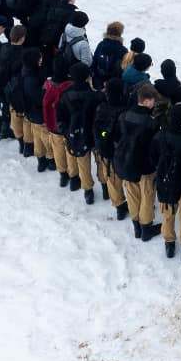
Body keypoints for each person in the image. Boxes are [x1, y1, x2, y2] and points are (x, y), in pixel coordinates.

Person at [114, 82, 161, 240]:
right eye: (153, 100)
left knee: (132, 194)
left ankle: (136, 225)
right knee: (147, 196)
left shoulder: (124, 115)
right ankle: (146, 227)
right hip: (144, 167)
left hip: (126, 161)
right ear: (147, 101)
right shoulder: (151, 122)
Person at [152, 105, 181, 260]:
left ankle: (169, 243)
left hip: (165, 181)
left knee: (167, 213)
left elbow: (153, 157)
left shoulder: (160, 136)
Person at [56, 63, 100, 202]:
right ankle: (88, 189)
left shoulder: (65, 94)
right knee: (85, 160)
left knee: (71, 154)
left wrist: (65, 130)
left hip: (71, 132)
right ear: (88, 77)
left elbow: (60, 115)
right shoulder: (94, 96)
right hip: (89, 134)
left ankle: (74, 179)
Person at [92, 78, 131, 219]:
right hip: (120, 151)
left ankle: (119, 204)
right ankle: (126, 205)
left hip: (105, 149)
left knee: (111, 179)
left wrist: (103, 136)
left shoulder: (101, 108)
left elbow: (98, 129)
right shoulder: (125, 110)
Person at [91, 20, 127, 85]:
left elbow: (94, 62)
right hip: (114, 83)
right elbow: (123, 69)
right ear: (120, 34)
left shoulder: (101, 44)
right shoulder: (123, 50)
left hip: (98, 80)